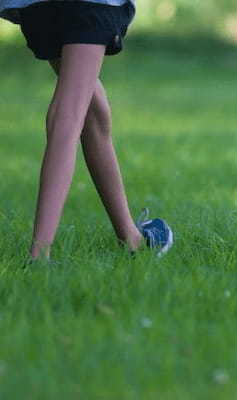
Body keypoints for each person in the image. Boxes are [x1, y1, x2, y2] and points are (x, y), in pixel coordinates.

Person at [0, 0, 174, 261]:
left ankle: (130, 236)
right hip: (87, 6)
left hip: (38, 8)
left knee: (94, 113)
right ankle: (38, 255)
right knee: (67, 117)